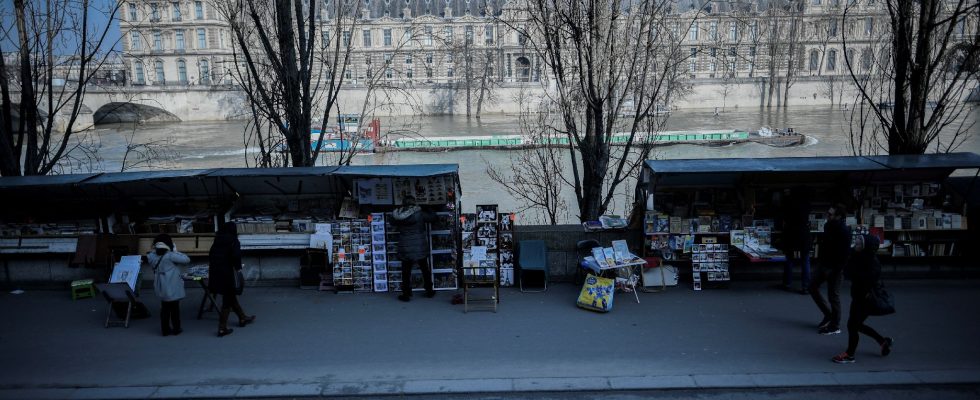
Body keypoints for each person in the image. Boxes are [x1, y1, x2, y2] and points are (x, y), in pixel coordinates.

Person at [832, 233, 893, 363]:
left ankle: (850, 355)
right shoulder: (857, 255)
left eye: (859, 243)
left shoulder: (872, 263)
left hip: (864, 299)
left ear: (866, 246)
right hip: (859, 296)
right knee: (856, 325)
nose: (855, 244)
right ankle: (883, 341)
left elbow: (865, 280)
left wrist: (854, 272)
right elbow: (848, 272)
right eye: (856, 241)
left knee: (852, 326)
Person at [208, 222, 255, 337]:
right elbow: (236, 256)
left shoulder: (217, 240)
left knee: (229, 295)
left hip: (216, 272)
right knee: (227, 299)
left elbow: (211, 255)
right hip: (228, 273)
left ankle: (242, 317)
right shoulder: (233, 240)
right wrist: (238, 268)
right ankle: (222, 328)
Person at [810, 204, 851, 335]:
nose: (827, 216)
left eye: (830, 214)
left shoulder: (844, 231)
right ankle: (829, 315)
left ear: (838, 216)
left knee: (833, 296)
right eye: (827, 213)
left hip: (835, 268)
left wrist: (837, 270)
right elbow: (824, 245)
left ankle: (835, 324)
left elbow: (845, 255)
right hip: (824, 264)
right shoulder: (828, 226)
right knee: (812, 287)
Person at [391, 195, 437, 302]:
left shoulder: (398, 214)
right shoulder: (419, 214)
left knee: (406, 271)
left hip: (405, 246)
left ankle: (406, 294)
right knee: (424, 269)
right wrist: (428, 208)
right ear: (414, 203)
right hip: (419, 246)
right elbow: (433, 217)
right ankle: (429, 290)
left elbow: (391, 221)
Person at [147, 234, 190, 337]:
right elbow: (186, 260)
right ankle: (176, 328)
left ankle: (165, 330)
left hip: (161, 286)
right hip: (172, 286)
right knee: (175, 308)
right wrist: (175, 251)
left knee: (165, 308)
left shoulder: (152, 256)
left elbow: (152, 253)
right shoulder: (170, 256)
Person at [780, 187, 813, 294]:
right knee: (805, 259)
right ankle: (806, 286)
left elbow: (784, 216)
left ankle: (787, 283)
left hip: (791, 232)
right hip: (804, 233)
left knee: (789, 258)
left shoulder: (788, 202)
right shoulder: (806, 203)